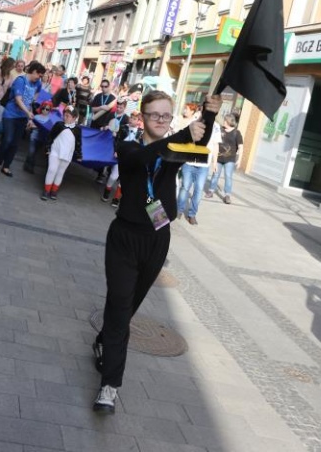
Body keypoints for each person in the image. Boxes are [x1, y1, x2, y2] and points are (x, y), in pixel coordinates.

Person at [92, 91, 222, 414]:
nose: (161, 120)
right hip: (125, 238)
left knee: (129, 306)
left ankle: (105, 339)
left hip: (157, 238)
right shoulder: (129, 145)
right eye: (154, 115)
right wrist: (182, 134)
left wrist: (209, 114)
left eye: (166, 115)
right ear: (142, 117)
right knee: (120, 305)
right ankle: (110, 386)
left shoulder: (174, 150)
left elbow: (197, 142)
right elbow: (144, 158)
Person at [0, 61, 46, 177]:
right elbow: (18, 99)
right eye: (39, 75)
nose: (40, 78)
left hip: (22, 118)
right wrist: (28, 113)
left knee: (15, 143)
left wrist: (29, 117)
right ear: (34, 71)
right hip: (10, 114)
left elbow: (32, 100)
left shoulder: (38, 83)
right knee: (7, 140)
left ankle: (6, 166)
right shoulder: (21, 81)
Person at [177, 105, 222, 225]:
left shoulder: (216, 127)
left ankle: (192, 214)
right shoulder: (194, 122)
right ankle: (179, 210)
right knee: (185, 187)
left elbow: (216, 145)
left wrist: (215, 163)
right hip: (189, 162)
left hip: (204, 165)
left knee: (199, 189)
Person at [101, 109, 143, 207]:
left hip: (131, 159)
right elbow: (117, 140)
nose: (131, 120)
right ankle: (107, 190)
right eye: (131, 118)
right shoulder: (123, 128)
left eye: (134, 119)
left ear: (138, 121)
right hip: (121, 156)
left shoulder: (141, 133)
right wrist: (116, 150)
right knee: (113, 176)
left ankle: (116, 198)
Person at [41, 105, 82, 200]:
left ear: (74, 118)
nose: (65, 117)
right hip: (55, 151)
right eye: (64, 115)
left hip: (67, 155)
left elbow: (78, 143)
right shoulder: (59, 125)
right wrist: (47, 148)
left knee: (60, 172)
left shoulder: (77, 129)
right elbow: (50, 137)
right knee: (52, 170)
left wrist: (79, 154)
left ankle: (54, 191)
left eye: (68, 116)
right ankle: (46, 190)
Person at [205, 113, 243, 204]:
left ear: (229, 121)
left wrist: (239, 160)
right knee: (215, 174)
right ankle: (211, 191)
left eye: (225, 120)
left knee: (228, 176)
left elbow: (241, 147)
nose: (224, 122)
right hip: (218, 158)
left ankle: (227, 195)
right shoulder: (220, 130)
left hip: (230, 159)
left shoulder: (236, 133)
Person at [23, 101, 53, 173]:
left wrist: (36, 126)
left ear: (50, 110)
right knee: (31, 151)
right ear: (41, 108)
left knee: (34, 152)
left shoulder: (49, 120)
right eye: (43, 108)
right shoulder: (36, 117)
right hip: (34, 137)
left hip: (42, 139)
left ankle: (27, 164)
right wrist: (31, 125)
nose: (45, 110)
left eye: (47, 109)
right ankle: (30, 166)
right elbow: (29, 126)